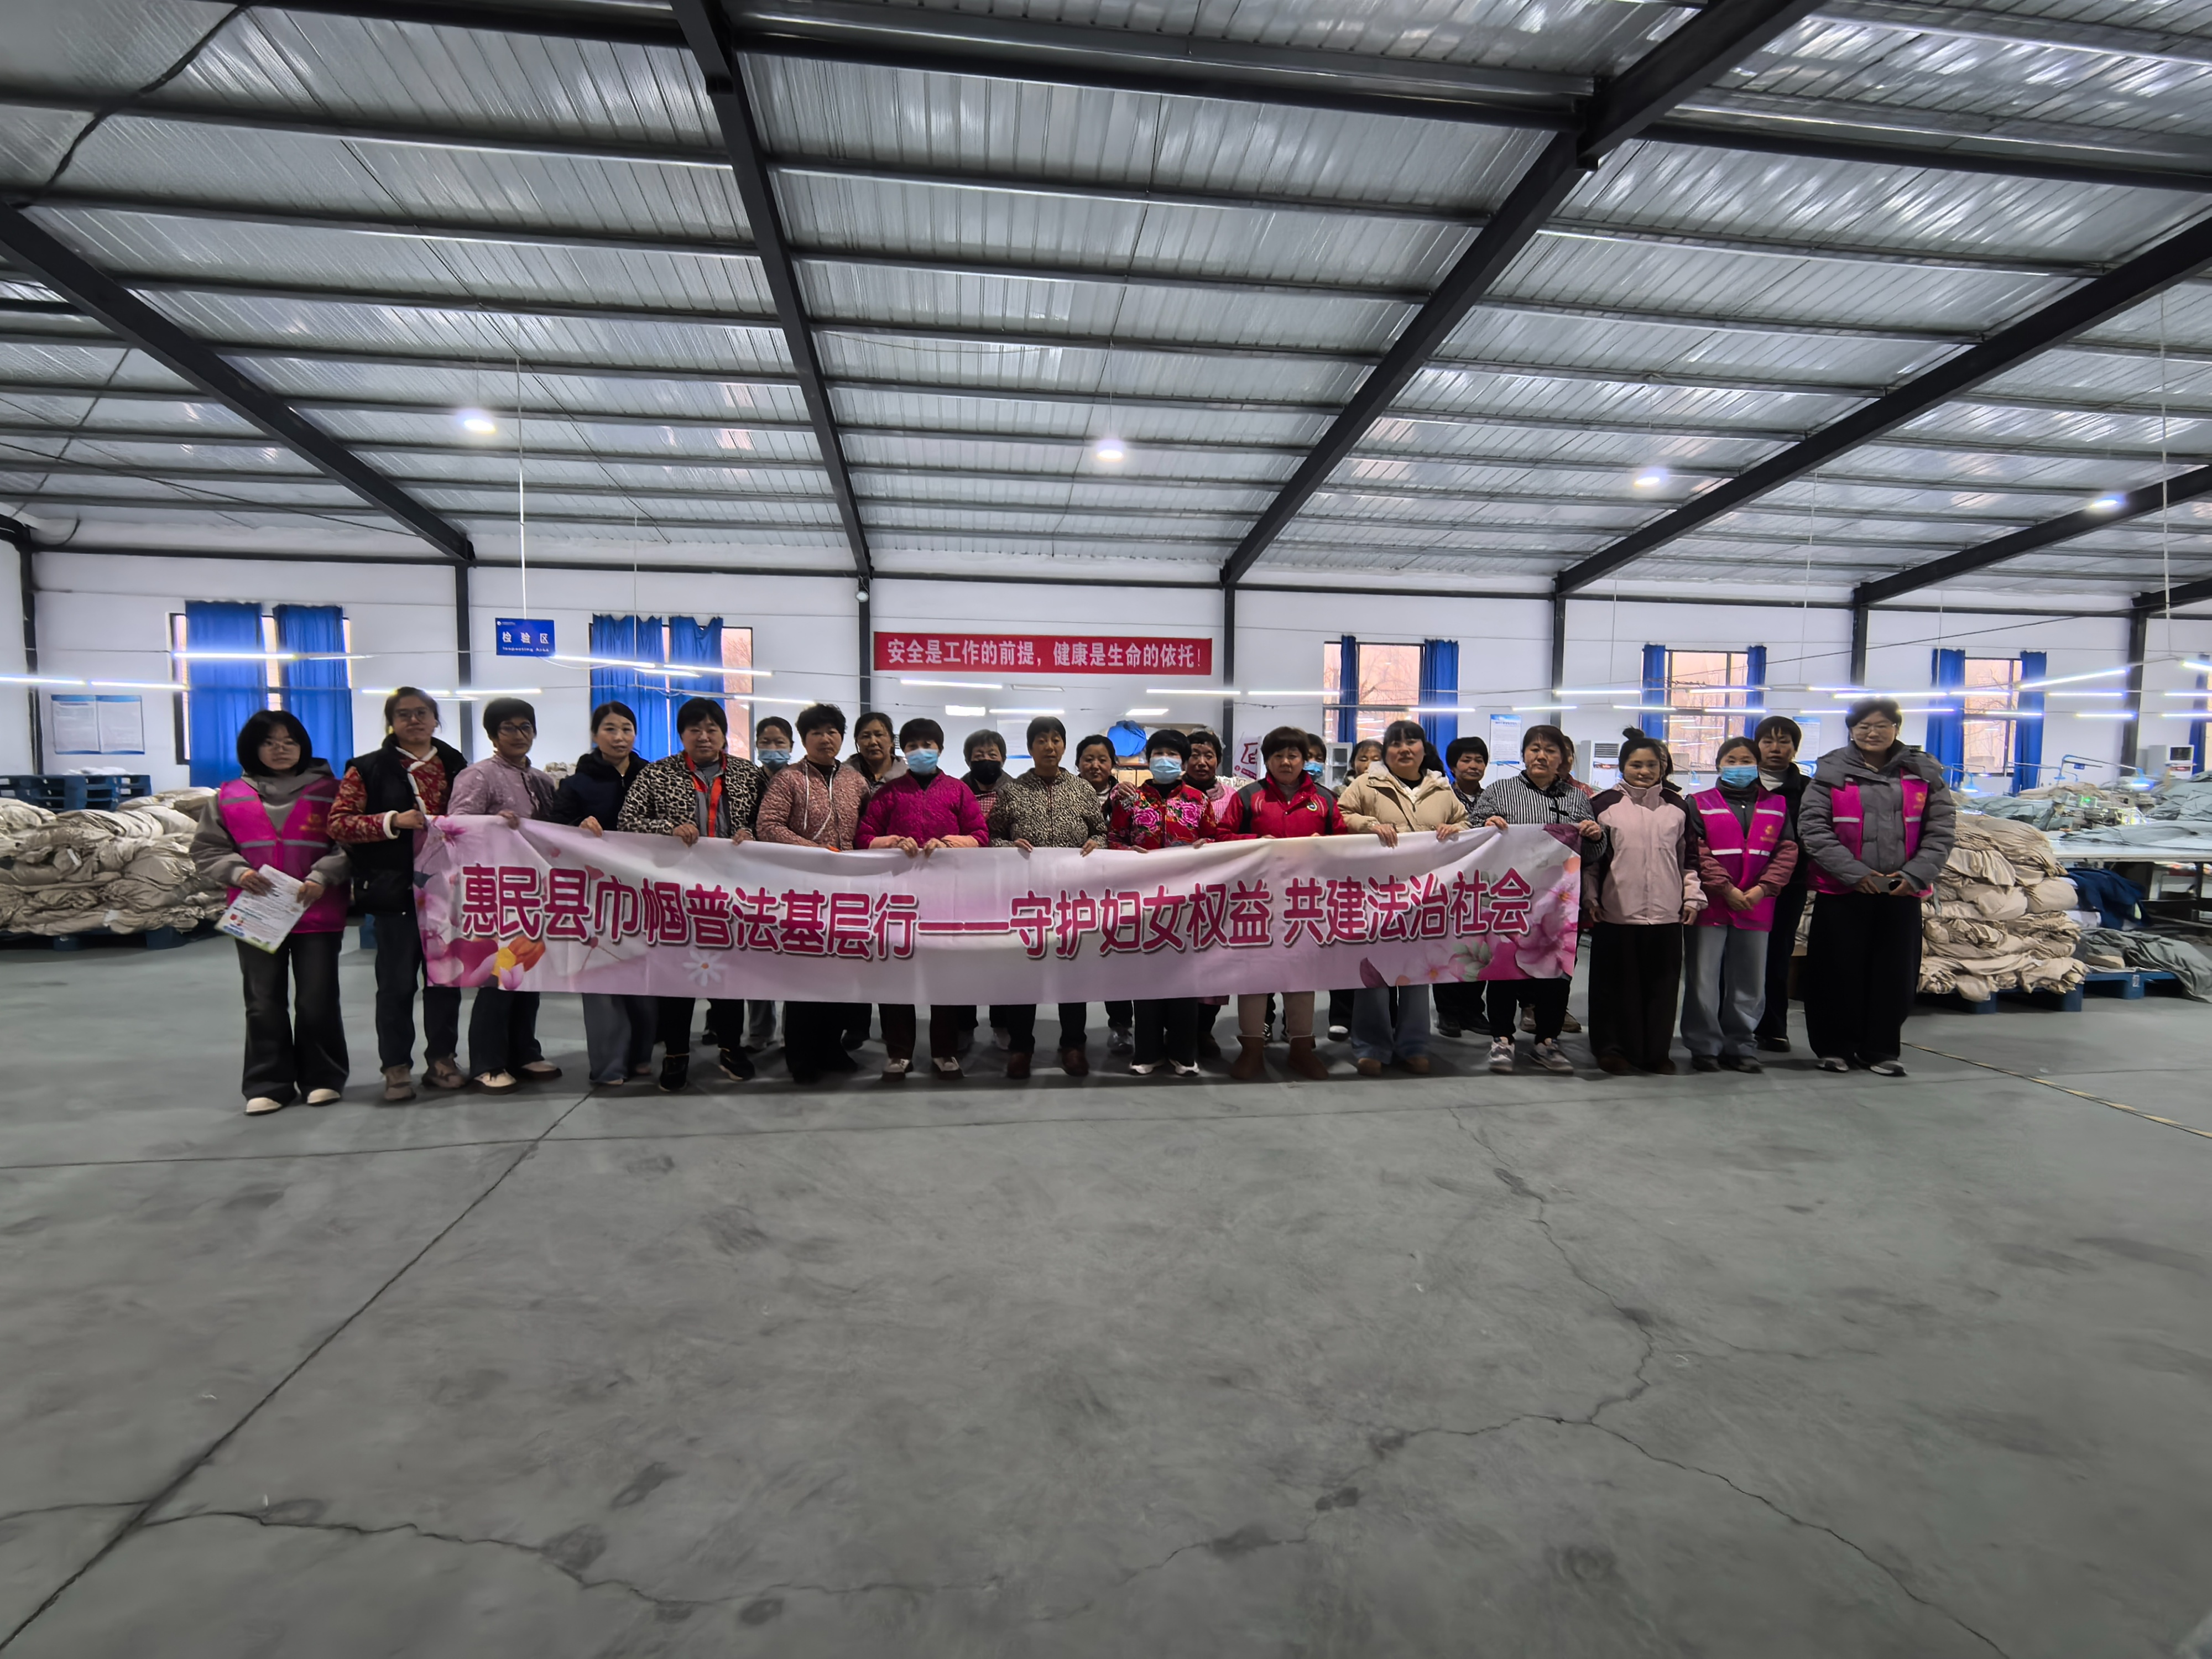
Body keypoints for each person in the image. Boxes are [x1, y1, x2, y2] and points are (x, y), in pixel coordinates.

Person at [193, 710, 351, 1116]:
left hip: (316, 912)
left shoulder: (332, 792)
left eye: (289, 741)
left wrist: (322, 875)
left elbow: (350, 843)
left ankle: (323, 1078)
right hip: (257, 913)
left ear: (303, 747)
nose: (280, 749)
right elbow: (207, 848)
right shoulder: (228, 796)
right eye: (269, 742)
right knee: (262, 1001)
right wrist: (238, 872)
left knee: (317, 999)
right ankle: (268, 1083)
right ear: (252, 749)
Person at [1798, 697, 1957, 1077]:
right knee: (1836, 971)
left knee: (1894, 973)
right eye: (1864, 726)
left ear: (1896, 729)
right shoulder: (1831, 772)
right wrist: (1856, 873)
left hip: (1902, 891)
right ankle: (1835, 1047)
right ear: (1852, 731)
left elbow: (1941, 830)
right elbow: (1814, 829)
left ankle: (1881, 1049)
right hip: (1844, 890)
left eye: (1882, 725)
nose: (1873, 732)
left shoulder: (1924, 773)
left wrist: (1914, 875)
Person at [618, 697, 763, 1091]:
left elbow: (767, 823)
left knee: (730, 975)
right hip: (676, 893)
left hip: (733, 893)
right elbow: (627, 821)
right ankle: (676, 1053)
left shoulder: (748, 774)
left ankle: (731, 1047)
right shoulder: (658, 773)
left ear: (723, 734)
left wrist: (751, 833)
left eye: (712, 729)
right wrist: (668, 828)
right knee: (676, 976)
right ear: (681, 734)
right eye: (694, 729)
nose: (704, 736)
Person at [331, 687, 466, 1102]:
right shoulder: (367, 769)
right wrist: (392, 821)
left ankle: (442, 1060)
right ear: (392, 722)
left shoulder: (457, 766)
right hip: (395, 891)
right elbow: (340, 823)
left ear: (436, 719)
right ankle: (396, 1068)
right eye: (404, 714)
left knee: (445, 983)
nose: (414, 721)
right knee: (395, 985)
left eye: (422, 713)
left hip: (448, 892)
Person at [1335, 719, 1468, 1077]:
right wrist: (1369, 825)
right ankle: (1371, 1046)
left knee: (1418, 975)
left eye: (1412, 742)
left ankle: (1414, 1045)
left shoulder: (1441, 788)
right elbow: (1342, 815)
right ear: (1386, 751)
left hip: (1426, 898)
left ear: (1424, 749)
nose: (1404, 749)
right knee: (1373, 975)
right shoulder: (1367, 784)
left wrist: (1456, 829)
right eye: (1396, 743)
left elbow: (1466, 824)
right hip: (1375, 895)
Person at [858, 717, 988, 1079]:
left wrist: (949, 843)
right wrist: (892, 842)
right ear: (904, 751)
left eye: (928, 745)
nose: (920, 752)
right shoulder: (889, 793)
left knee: (944, 973)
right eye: (913, 746)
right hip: (897, 899)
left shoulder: (958, 792)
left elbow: (980, 835)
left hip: (946, 898)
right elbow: (864, 837)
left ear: (940, 749)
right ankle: (898, 1052)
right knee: (896, 973)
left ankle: (945, 1051)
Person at [448, 697, 564, 1092]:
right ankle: (487, 1061)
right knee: (498, 977)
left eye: (525, 727)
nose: (519, 735)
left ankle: (525, 1051)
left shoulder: (542, 780)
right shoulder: (478, 775)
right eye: (509, 728)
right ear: (493, 735)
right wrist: (492, 823)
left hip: (535, 891)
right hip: (496, 891)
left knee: (529, 972)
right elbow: (456, 826)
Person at [754, 702, 873, 1083]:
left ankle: (831, 1048)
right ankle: (801, 1055)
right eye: (817, 732)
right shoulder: (787, 779)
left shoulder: (855, 781)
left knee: (840, 973)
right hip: (802, 889)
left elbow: (869, 828)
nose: (825, 739)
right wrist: (817, 852)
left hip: (847, 891)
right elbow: (768, 826)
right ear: (804, 740)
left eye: (832, 732)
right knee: (804, 973)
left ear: (842, 738)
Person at [1479, 724, 1608, 1074]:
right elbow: (1473, 836)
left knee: (1556, 972)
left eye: (1550, 750)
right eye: (1534, 749)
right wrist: (1486, 825)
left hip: (1559, 904)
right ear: (1523, 754)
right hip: (1509, 899)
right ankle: (1501, 1038)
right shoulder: (1499, 792)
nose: (1541, 756)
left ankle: (1547, 1041)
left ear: (1562, 758)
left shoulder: (1577, 799)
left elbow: (1592, 854)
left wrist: (1595, 836)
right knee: (1505, 969)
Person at [1222, 726, 1345, 1082]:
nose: (1286, 762)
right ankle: (1251, 1050)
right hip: (1255, 902)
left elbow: (1344, 843)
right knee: (1254, 976)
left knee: (1302, 976)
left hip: (1307, 902)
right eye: (1278, 756)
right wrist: (1257, 841)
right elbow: (1222, 837)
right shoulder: (1248, 797)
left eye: (1293, 755)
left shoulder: (1325, 799)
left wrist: (1323, 845)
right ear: (1267, 761)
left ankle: (1301, 1050)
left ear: (1305, 760)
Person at [987, 715, 1106, 1079]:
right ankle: (1021, 1047)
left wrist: (1096, 843)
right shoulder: (1012, 791)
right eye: (1041, 740)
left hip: (1073, 899)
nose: (1049, 746)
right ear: (1030, 747)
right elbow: (991, 837)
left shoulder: (1082, 789)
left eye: (1056, 739)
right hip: (1027, 900)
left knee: (1073, 972)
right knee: (1024, 972)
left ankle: (1073, 1044)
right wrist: (1008, 846)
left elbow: (1102, 833)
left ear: (1064, 746)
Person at [548, 700, 658, 1088]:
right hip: (595, 896)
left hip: (645, 893)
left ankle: (642, 1055)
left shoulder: (653, 776)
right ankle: (609, 1065)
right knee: (601, 979)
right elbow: (555, 829)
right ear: (596, 735)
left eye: (627, 729)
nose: (619, 737)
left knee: (645, 979)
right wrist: (578, 825)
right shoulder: (576, 784)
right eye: (610, 729)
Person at [1584, 729, 1700, 1076]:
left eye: (1652, 765)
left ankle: (1655, 1052)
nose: (1645, 771)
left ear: (1662, 767)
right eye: (1636, 765)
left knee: (1661, 988)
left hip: (1666, 913)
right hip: (1616, 912)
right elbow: (1592, 861)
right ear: (1623, 767)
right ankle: (1611, 1049)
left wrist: (1692, 896)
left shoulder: (1677, 806)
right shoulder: (1603, 805)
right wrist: (1590, 897)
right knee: (1613, 987)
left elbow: (1688, 858)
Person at [1682, 735, 1799, 1073]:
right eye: (1731, 761)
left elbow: (1786, 851)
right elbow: (1696, 850)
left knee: (1749, 980)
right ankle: (1704, 1046)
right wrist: (1725, 888)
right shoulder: (1699, 803)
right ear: (1719, 765)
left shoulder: (1777, 805)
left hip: (1757, 905)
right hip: (1712, 904)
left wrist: (1763, 889)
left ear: (1757, 764)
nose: (1738, 767)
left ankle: (1741, 1045)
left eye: (1745, 760)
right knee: (1703, 980)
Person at [1104, 728, 1218, 1077]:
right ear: (1148, 759)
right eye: (1159, 754)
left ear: (1183, 762)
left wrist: (1207, 848)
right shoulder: (1131, 799)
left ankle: (1183, 1052)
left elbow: (1215, 840)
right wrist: (1129, 852)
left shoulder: (1199, 800)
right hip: (1144, 901)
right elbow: (1114, 839)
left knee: (1186, 977)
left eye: (1173, 755)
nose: (1165, 760)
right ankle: (1148, 1051)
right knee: (1147, 975)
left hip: (1188, 901)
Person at [1181, 728, 1250, 1056]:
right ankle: (1174, 1031)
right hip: (1175, 896)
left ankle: (1203, 1030)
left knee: (1215, 966)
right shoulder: (1166, 795)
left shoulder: (1233, 798)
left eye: (1209, 755)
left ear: (1218, 761)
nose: (1201, 761)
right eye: (1194, 754)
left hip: (1220, 897)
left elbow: (1241, 837)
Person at [1750, 716, 1813, 1053]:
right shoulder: (1742, 783)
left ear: (1795, 748)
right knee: (1736, 956)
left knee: (1777, 955)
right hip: (1741, 884)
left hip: (1789, 886)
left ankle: (1773, 1027)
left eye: (1784, 741)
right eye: (1768, 741)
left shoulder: (1809, 790)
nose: (1776, 748)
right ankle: (1731, 1026)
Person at [1075, 733, 1137, 1051]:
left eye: (1102, 759)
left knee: (1116, 958)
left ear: (1113, 763)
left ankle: (1121, 1026)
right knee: (1074, 957)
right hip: (1074, 892)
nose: (1095, 765)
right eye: (1088, 759)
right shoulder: (1067, 793)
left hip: (1117, 890)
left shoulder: (1127, 797)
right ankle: (1073, 1036)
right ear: (1077, 763)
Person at [1434, 735, 1491, 1038]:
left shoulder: (1494, 798)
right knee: (1447, 947)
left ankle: (1473, 1009)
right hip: (1448, 885)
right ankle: (1448, 1012)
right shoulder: (1441, 797)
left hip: (1483, 884)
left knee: (1481, 947)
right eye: (1466, 760)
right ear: (1453, 766)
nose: (1473, 766)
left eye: (1479, 760)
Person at [957, 727, 1009, 1054]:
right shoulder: (954, 791)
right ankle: (964, 1025)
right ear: (968, 760)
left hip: (1006, 887)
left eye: (992, 755)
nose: (986, 760)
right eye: (979, 756)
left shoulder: (1016, 791)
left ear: (1003, 759)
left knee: (1003, 959)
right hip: (964, 888)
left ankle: (1002, 1023)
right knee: (965, 959)